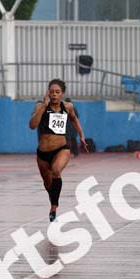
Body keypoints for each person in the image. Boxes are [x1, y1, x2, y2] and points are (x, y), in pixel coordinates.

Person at [29, 79, 87, 223]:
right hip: (43, 153)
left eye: (57, 92)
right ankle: (52, 200)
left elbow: (74, 119)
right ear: (47, 92)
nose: (54, 95)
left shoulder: (68, 107)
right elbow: (32, 125)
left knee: (56, 170)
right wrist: (43, 107)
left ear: (62, 94)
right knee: (48, 183)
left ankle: (54, 207)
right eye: (52, 92)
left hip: (61, 149)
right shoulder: (40, 107)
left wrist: (82, 135)